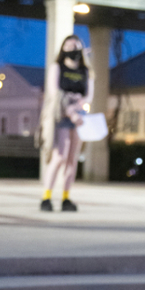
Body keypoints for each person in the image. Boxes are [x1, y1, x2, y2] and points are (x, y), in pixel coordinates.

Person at [38, 35, 94, 213]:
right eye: (68, 46)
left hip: (79, 117)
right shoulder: (57, 68)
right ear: (63, 49)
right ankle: (46, 197)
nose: (72, 49)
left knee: (72, 159)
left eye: (75, 46)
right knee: (60, 156)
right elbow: (55, 92)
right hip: (60, 115)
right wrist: (69, 110)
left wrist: (78, 107)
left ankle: (66, 197)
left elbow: (88, 96)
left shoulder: (86, 71)